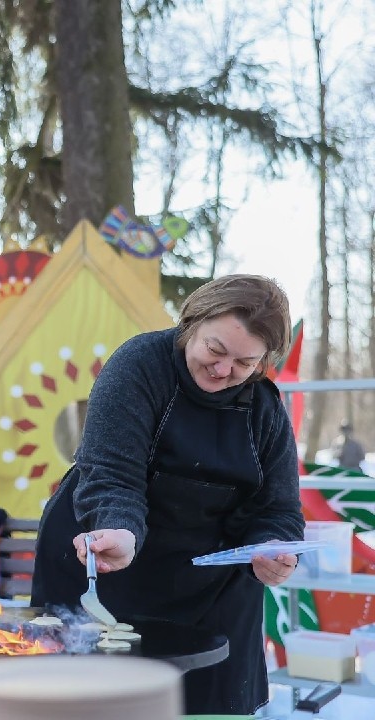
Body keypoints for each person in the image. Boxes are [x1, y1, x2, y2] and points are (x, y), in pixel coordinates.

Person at [31, 274, 304, 716]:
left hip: (213, 585)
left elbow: (278, 507)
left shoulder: (265, 410)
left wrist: (273, 547)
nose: (223, 371)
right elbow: (112, 472)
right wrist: (117, 529)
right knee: (89, 704)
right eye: (215, 350)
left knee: (211, 703)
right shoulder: (139, 366)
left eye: (244, 363)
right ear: (191, 324)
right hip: (108, 563)